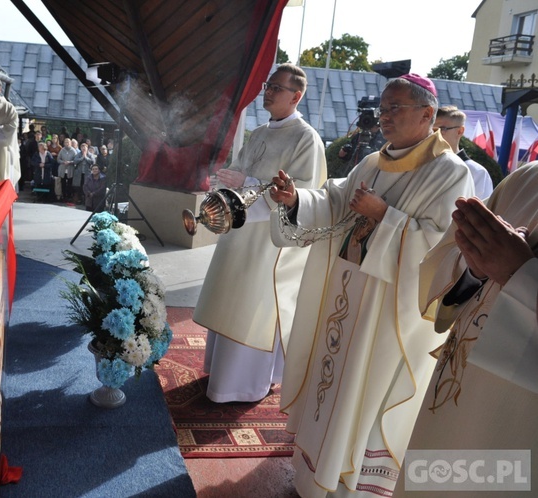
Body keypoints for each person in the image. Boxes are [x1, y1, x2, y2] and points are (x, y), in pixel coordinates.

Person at [268, 74, 474, 497]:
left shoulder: (449, 172)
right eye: (383, 108)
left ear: (427, 114)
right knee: (331, 384)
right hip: (345, 289)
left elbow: (444, 248)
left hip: (386, 308)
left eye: (395, 107)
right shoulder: (372, 162)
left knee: (362, 391)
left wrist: (386, 215)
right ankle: (316, 472)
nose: (384, 116)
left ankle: (351, 485)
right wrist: (296, 201)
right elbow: (336, 200)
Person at [393, 163, 538, 497]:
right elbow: (451, 257)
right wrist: (473, 266)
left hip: (514, 421)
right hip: (456, 394)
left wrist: (520, 275)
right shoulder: (526, 178)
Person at [193, 63, 327, 403]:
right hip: (239, 233)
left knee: (252, 308)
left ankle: (243, 386)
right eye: (268, 85)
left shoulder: (306, 138)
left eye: (277, 88)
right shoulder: (262, 131)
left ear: (296, 96)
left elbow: (303, 192)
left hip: (269, 243)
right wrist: (229, 177)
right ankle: (222, 375)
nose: (268, 91)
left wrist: (249, 184)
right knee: (230, 301)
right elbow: (242, 169)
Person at [435, 105, 493, 199]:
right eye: (431, 130)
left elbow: (479, 210)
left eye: (441, 129)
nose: (434, 134)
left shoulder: (476, 172)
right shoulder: (423, 164)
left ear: (460, 131)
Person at [57, 137, 76, 202]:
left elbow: (75, 160)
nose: (67, 143)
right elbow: (58, 159)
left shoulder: (73, 151)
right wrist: (63, 162)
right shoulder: (62, 150)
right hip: (63, 169)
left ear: (70, 143)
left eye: (68, 142)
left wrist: (70, 162)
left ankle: (69, 196)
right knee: (63, 183)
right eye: (65, 142)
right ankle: (63, 196)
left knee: (70, 184)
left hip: (70, 169)